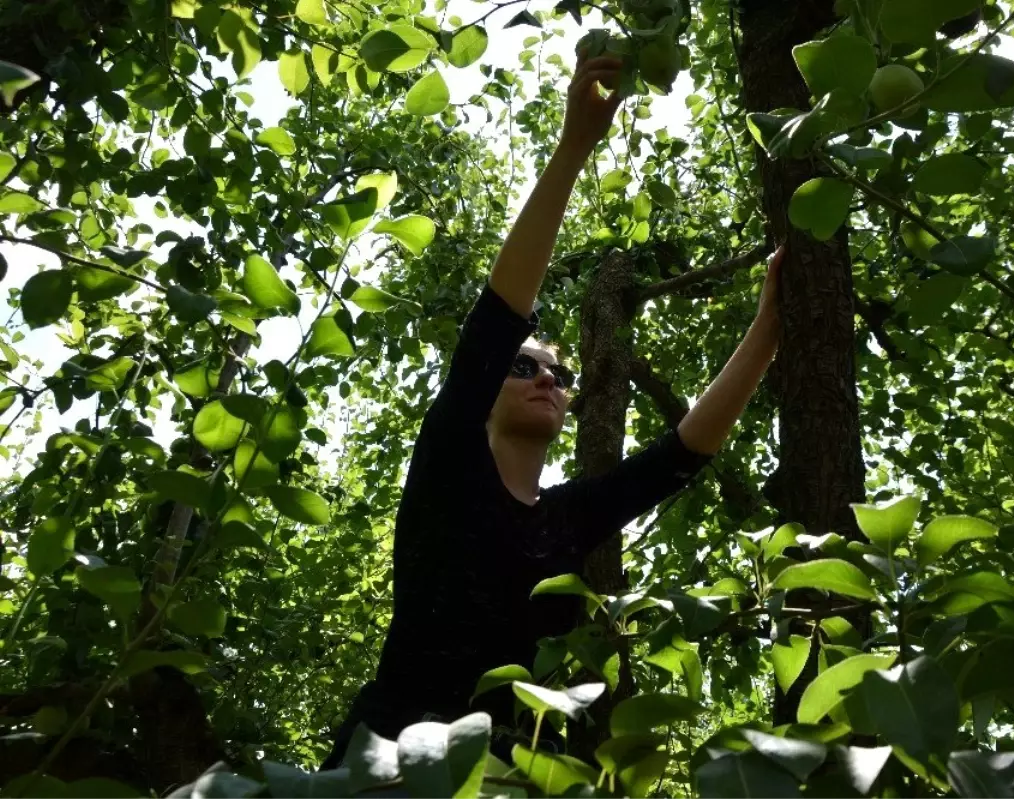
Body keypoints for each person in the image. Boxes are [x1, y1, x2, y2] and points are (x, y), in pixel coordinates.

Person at [320, 54, 783, 769]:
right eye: (524, 366)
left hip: (517, 772)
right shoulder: (450, 458)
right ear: (488, 394)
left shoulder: (567, 517)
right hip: (388, 763)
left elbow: (679, 457)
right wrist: (575, 148)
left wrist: (767, 331)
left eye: (560, 374)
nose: (546, 378)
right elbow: (495, 320)